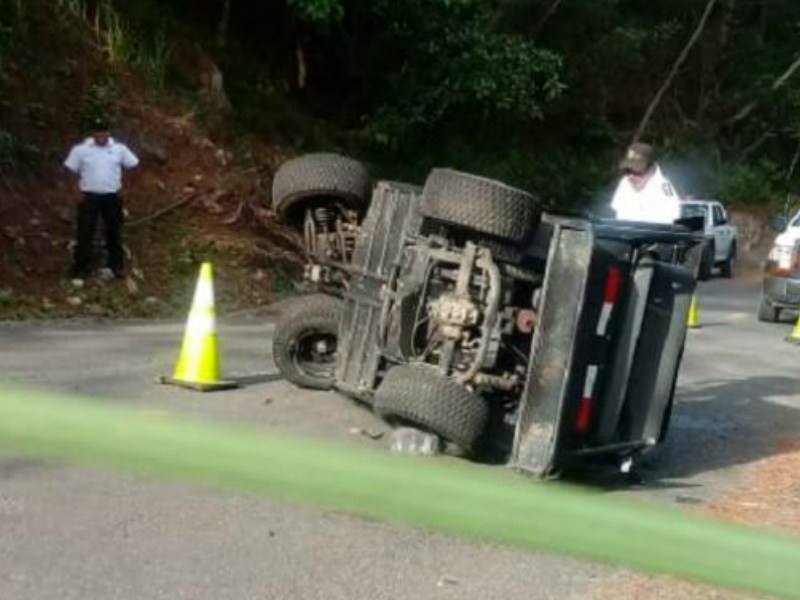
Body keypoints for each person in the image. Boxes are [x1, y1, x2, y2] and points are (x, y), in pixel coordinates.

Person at [64, 119, 140, 279]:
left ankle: (116, 266)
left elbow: (133, 165)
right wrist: (75, 191)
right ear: (93, 133)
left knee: (114, 231)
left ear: (108, 132)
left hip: (112, 196)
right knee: (85, 231)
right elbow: (70, 169)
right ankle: (82, 267)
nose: (100, 135)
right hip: (89, 197)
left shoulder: (119, 149)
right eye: (97, 131)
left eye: (103, 131)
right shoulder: (81, 150)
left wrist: (126, 188)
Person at [611, 142, 680, 225]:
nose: (631, 176)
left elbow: (670, 224)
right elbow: (616, 215)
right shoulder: (624, 183)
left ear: (651, 169)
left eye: (637, 172)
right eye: (628, 171)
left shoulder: (663, 187)